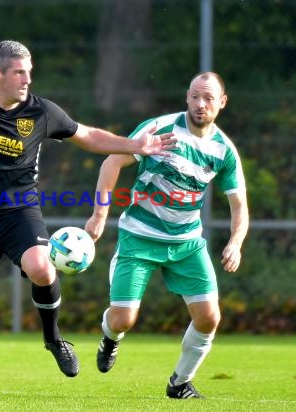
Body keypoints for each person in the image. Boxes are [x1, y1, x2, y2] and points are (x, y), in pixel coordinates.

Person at [0, 20, 178, 399]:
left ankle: (53, 340)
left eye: (29, 73)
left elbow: (89, 136)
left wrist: (135, 145)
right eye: (19, 72)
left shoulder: (42, 112)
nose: (26, 80)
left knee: (40, 266)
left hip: (20, 210)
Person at [85, 72, 249, 399]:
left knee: (209, 317)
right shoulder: (159, 128)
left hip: (187, 244)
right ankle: (110, 338)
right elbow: (111, 164)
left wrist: (235, 243)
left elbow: (240, 206)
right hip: (140, 237)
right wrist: (100, 214)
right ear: (187, 97)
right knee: (122, 320)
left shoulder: (224, 151)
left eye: (208, 98)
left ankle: (180, 383)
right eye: (195, 96)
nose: (200, 104)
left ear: (222, 102)